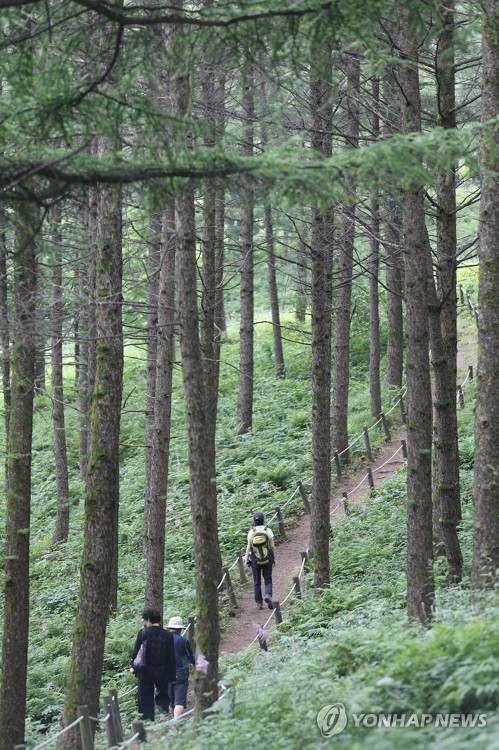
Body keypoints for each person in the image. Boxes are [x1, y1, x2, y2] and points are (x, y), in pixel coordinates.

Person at [130, 607, 176, 721]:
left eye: (145, 620)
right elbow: (171, 656)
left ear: (149, 619)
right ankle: (163, 716)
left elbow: (136, 653)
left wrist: (133, 667)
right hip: (163, 670)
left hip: (145, 671)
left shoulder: (143, 633)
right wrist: (172, 674)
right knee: (163, 694)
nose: (144, 623)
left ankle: (148, 722)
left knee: (145, 696)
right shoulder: (168, 635)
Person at [244, 511, 276, 610]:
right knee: (268, 579)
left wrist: (246, 559)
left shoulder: (251, 532)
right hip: (267, 559)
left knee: (256, 581)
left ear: (254, 521)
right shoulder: (268, 530)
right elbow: (272, 546)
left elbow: (249, 548)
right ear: (263, 520)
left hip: (255, 560)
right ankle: (268, 595)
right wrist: (274, 558)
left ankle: (259, 603)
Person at [166, 616, 196, 718]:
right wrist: (193, 665)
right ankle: (175, 721)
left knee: (171, 700)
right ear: (180, 629)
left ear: (169, 628)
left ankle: (172, 719)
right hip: (180, 673)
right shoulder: (183, 641)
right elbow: (189, 656)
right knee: (180, 701)